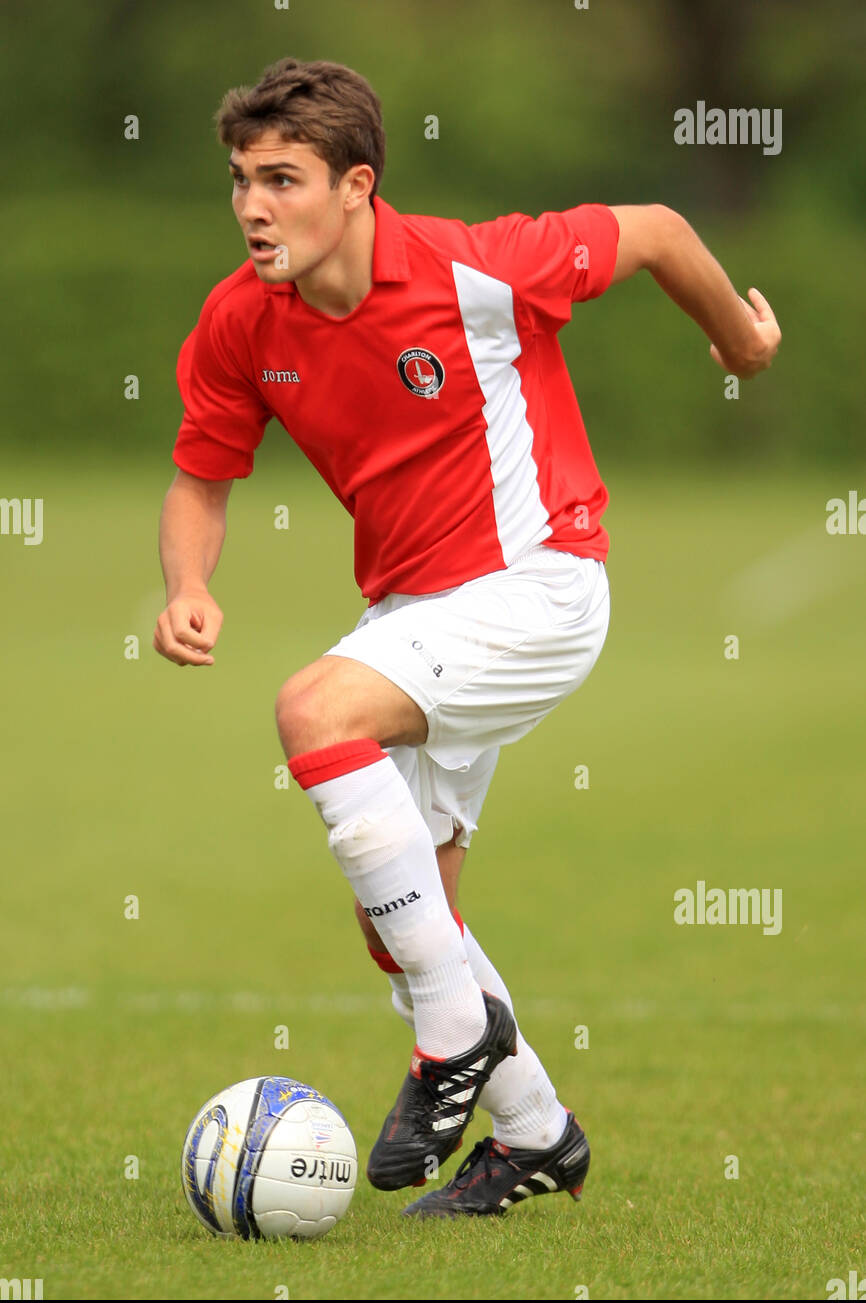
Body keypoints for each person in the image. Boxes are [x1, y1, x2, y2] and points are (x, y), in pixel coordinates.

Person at [154, 57, 780, 1219]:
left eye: (280, 179)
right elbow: (201, 470)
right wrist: (188, 582)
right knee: (400, 924)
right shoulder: (243, 318)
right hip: (417, 612)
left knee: (311, 710)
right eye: (240, 178)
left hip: (539, 583)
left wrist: (736, 343)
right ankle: (536, 1132)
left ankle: (452, 1037)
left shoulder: (472, 265)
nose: (251, 205)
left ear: (356, 186)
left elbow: (649, 228)